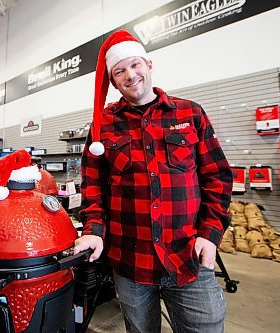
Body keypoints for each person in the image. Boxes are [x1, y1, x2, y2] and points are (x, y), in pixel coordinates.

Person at [73, 30, 232, 333]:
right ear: (113, 80)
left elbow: (218, 178)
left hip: (189, 256)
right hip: (131, 261)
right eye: (119, 71)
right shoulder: (103, 125)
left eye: (134, 65)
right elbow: (92, 187)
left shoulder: (191, 113)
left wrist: (210, 234)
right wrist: (93, 230)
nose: (130, 75)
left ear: (149, 64)